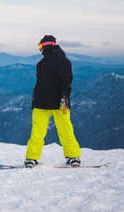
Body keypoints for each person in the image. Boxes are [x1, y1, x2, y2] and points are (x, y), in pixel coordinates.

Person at [25, 35, 81, 168]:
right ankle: (73, 156)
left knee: (38, 132)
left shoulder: (46, 64)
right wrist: (64, 98)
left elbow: (65, 82)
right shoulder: (61, 62)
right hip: (55, 102)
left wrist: (63, 98)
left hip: (45, 103)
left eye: (40, 47)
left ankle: (31, 158)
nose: (40, 50)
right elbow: (65, 83)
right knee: (65, 130)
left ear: (47, 46)